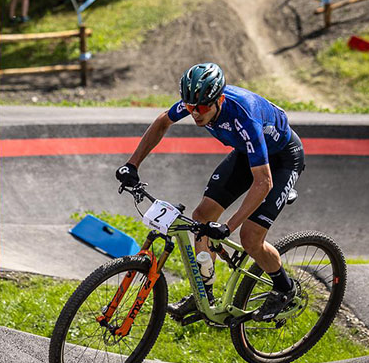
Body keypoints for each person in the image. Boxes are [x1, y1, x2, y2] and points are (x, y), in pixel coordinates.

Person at [115, 62, 305, 325]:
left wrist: (228, 227)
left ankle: (285, 289)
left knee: (250, 238)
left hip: (282, 160)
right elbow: (162, 122)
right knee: (202, 216)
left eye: (202, 108)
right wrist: (132, 164)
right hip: (246, 153)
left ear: (220, 99)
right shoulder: (197, 102)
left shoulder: (243, 116)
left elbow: (263, 183)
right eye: (191, 107)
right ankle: (205, 295)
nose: (195, 114)